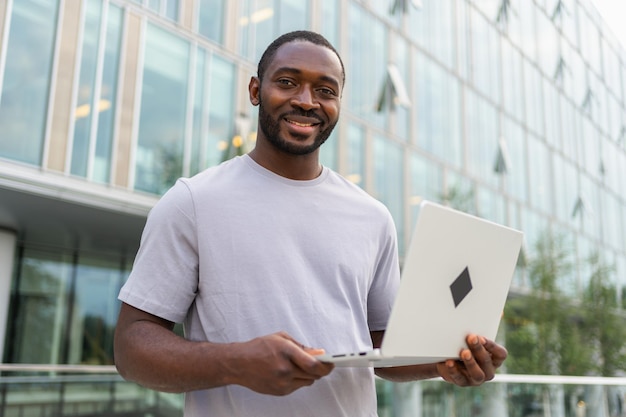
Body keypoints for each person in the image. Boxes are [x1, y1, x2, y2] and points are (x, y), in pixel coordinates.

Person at [114, 30, 508, 417]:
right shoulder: (192, 202)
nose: (306, 101)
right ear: (255, 91)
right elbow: (132, 348)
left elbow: (381, 351)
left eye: (325, 90)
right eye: (287, 82)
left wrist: (444, 362)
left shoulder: (372, 216)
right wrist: (235, 361)